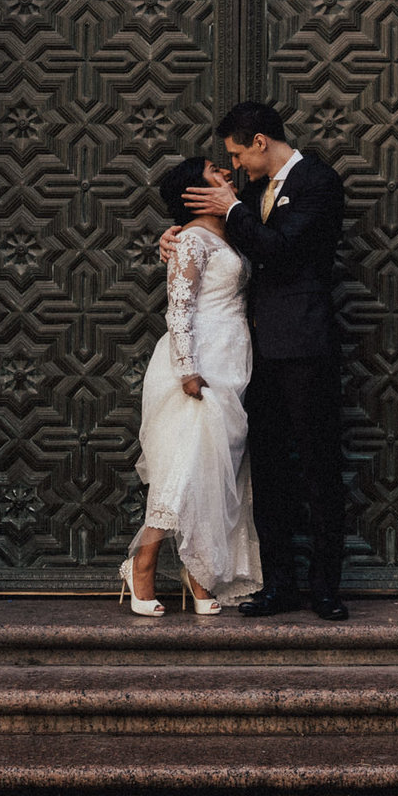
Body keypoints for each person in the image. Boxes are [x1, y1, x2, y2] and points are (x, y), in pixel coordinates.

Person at [166, 101, 351, 620]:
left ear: (261, 143)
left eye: (237, 154)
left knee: (318, 468)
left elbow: (283, 247)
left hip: (306, 344)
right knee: (268, 473)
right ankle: (280, 587)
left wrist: (232, 209)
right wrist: (174, 236)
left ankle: (326, 589)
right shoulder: (246, 193)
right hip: (255, 353)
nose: (235, 165)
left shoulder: (318, 181)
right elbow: (219, 237)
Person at [127, 158, 264, 616]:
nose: (225, 169)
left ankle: (199, 570)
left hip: (232, 361)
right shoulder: (189, 239)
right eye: (211, 169)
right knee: (185, 467)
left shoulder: (233, 233)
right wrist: (187, 368)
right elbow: (179, 308)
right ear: (192, 192)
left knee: (215, 470)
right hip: (198, 363)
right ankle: (142, 563)